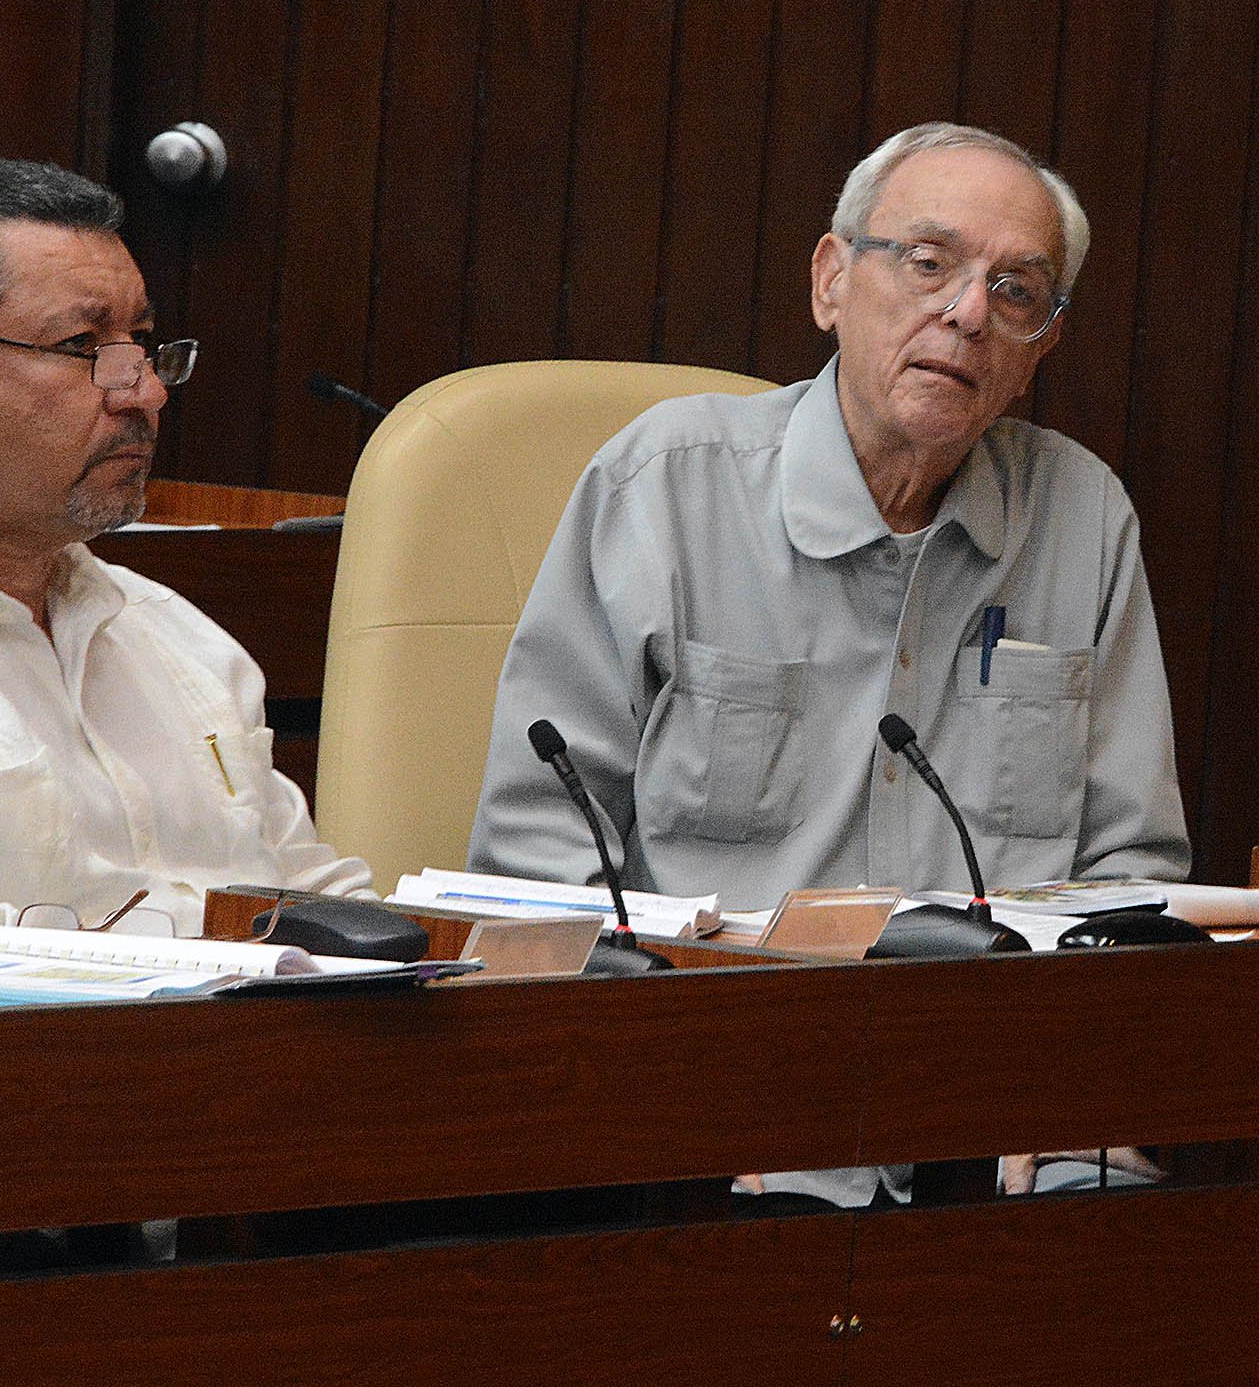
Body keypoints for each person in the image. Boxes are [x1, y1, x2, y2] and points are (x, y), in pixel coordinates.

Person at [468, 122, 1189, 1206]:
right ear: (832, 280)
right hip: (707, 1115)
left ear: (1043, 344)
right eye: (930, 262)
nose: (965, 314)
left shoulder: (1082, 517)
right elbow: (538, 862)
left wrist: (1068, 1087)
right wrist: (668, 1113)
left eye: (1016, 290)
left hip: (991, 1119)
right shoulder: (666, 489)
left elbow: (1132, 876)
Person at [0, 158, 372, 928]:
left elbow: (322, 906)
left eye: (144, 342)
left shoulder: (179, 639)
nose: (146, 391)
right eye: (85, 347)